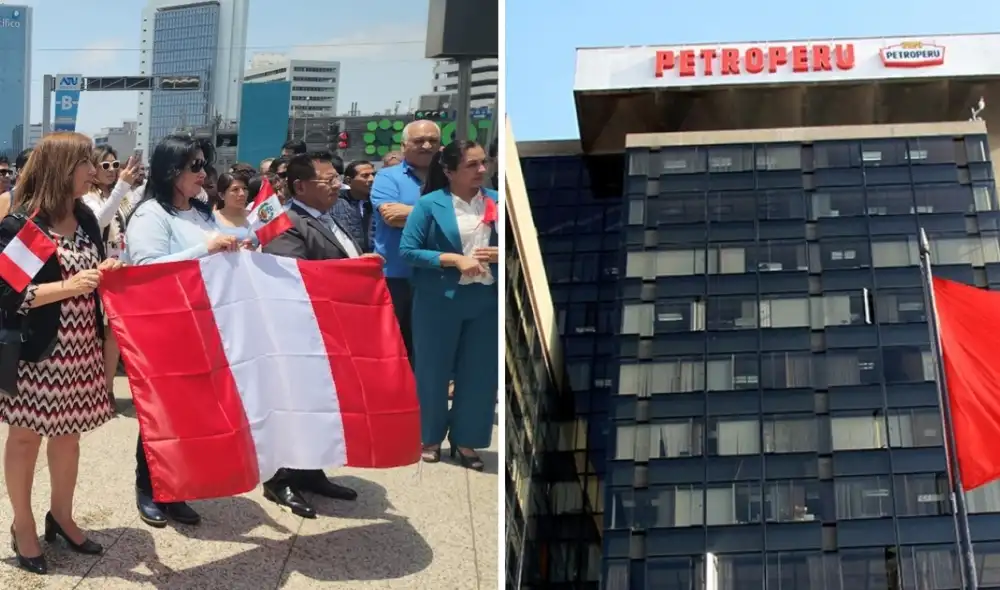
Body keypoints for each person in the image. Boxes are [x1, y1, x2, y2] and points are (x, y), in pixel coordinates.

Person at [0, 132, 121, 575]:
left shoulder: (85, 216)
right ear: (61, 169)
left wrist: (105, 270)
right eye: (85, 163)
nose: (93, 170)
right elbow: (8, 295)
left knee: (69, 438)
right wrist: (67, 287)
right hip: (37, 353)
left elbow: (91, 273)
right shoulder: (27, 225)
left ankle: (62, 516)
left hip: (81, 349)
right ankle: (23, 524)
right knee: (25, 438)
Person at [125, 134, 240, 528]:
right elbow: (146, 269)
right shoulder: (149, 215)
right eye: (195, 166)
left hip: (203, 324)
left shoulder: (202, 211)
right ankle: (149, 486)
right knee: (161, 412)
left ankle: (177, 487)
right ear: (171, 170)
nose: (203, 173)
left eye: (204, 164)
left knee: (191, 412)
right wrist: (206, 250)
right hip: (165, 327)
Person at [261, 151, 379, 518]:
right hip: (301, 333)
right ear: (300, 186)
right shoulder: (285, 223)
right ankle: (280, 478)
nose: (336, 186)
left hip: (332, 329)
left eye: (337, 179)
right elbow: (289, 276)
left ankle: (310, 470)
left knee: (321, 405)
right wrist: (354, 273)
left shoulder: (331, 216)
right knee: (295, 405)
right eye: (327, 181)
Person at [398, 140, 498, 472]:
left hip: (485, 299)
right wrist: (453, 259)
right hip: (438, 299)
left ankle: (466, 439)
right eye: (472, 165)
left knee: (480, 373)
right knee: (432, 371)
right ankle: (428, 437)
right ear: (450, 171)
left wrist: (502, 253)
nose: (481, 170)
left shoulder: (497, 201)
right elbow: (408, 250)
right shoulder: (429, 205)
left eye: (483, 163)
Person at [370, 120, 442, 364]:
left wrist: (411, 214)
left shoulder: (451, 178)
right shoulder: (387, 177)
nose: (426, 145)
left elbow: (465, 219)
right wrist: (444, 215)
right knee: (395, 345)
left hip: (439, 274)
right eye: (419, 140)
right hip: (397, 276)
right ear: (403, 145)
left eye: (432, 140)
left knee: (432, 344)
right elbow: (391, 217)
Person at [81, 146, 141, 409]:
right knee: (97, 333)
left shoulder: (122, 196)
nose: (111, 170)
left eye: (115, 165)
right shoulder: (87, 197)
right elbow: (99, 221)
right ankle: (95, 389)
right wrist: (122, 186)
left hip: (120, 270)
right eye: (104, 165)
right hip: (97, 270)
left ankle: (106, 389)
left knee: (114, 334)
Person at [331, 160, 375, 253]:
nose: (372, 179)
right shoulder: (335, 203)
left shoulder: (379, 202)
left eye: (373, 174)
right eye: (365, 176)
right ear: (349, 181)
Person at [213, 171, 256, 247]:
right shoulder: (211, 219)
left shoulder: (255, 217)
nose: (242, 194)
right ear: (222, 195)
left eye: (244, 188)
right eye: (235, 189)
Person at [0, 148, 33, 219]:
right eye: (2, 172)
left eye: (9, 172)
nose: (7, 175)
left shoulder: (16, 196)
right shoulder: (7, 198)